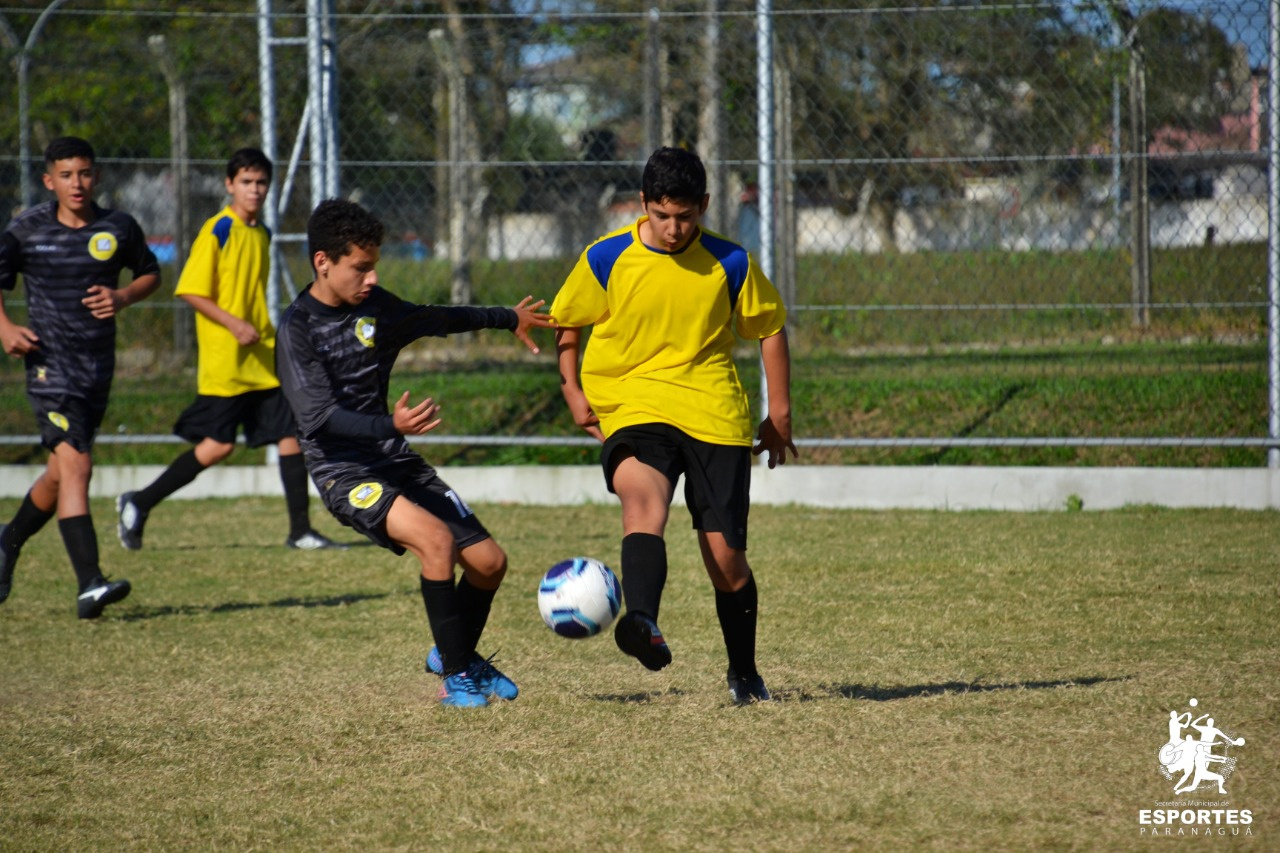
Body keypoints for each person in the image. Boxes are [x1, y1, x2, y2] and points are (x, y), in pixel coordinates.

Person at [275, 198, 553, 707]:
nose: (371, 276)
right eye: (360, 267)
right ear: (323, 262)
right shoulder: (297, 329)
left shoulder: (376, 308)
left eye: (374, 265)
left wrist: (505, 316)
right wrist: (390, 424)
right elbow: (317, 418)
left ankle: (455, 653)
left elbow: (434, 319)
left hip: (392, 457)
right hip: (342, 470)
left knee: (490, 563)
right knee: (436, 542)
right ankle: (457, 676)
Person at [550, 146, 797, 704]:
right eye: (661, 215)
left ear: (704, 206)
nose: (672, 228)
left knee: (725, 560)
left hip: (711, 412)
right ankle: (641, 621)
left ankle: (744, 673)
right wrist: (572, 388)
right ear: (643, 206)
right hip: (634, 405)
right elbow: (566, 319)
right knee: (642, 505)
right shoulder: (606, 257)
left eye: (685, 216)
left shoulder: (729, 263)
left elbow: (770, 328)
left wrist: (779, 412)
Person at [116, 148, 342, 552]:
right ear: (229, 185)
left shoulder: (263, 232)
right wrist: (234, 323)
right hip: (226, 360)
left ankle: (300, 531)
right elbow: (190, 289)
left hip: (263, 356)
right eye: (246, 182)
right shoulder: (218, 229)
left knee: (291, 433)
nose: (254, 190)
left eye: (261, 183)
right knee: (217, 447)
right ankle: (139, 501)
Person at [0, 136, 161, 618]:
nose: (77, 183)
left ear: (97, 177)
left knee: (61, 471)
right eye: (66, 175)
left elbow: (150, 273)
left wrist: (123, 297)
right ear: (49, 181)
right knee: (79, 466)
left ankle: (7, 540)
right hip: (50, 369)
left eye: (85, 173)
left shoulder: (118, 227)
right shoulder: (25, 231)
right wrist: (5, 327)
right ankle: (89, 582)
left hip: (97, 368)